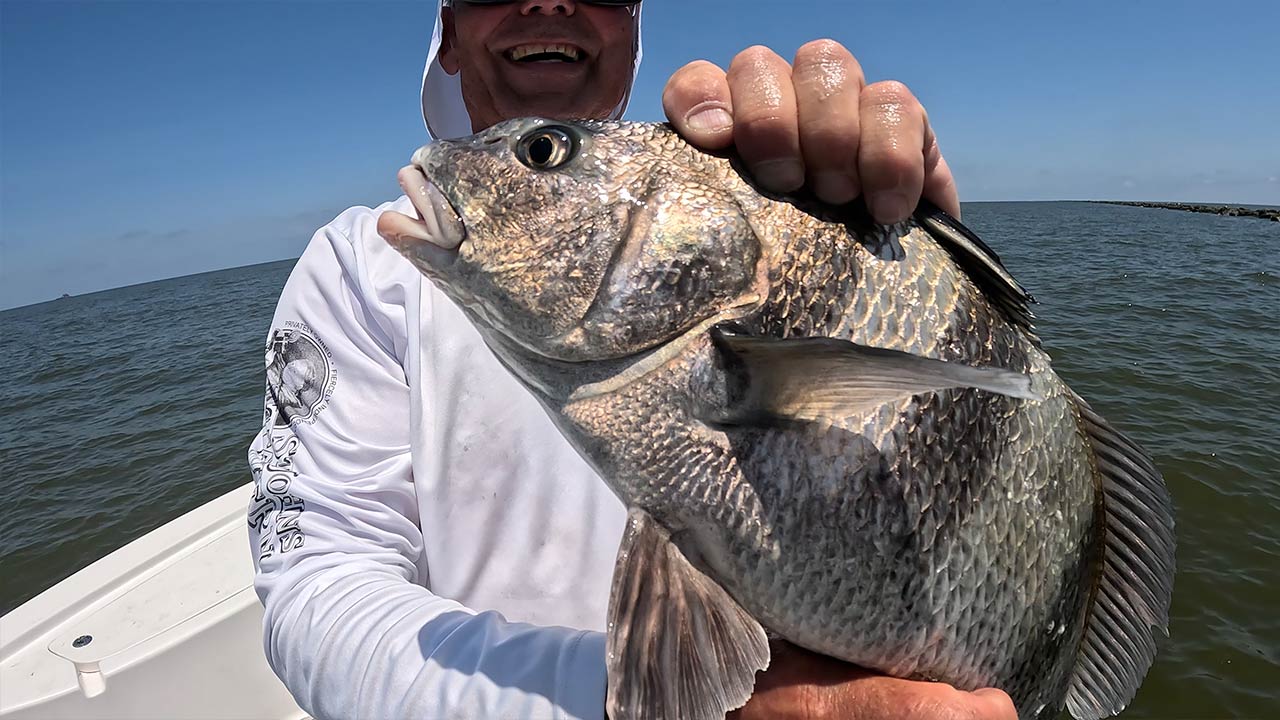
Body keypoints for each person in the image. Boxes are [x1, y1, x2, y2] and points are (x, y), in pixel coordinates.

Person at [247, 1, 1016, 719]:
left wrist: (888, 237)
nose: (549, 2)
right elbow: (316, 581)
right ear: (446, 34)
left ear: (634, 29)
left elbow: (966, 428)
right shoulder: (357, 268)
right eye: (542, 155)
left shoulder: (764, 192)